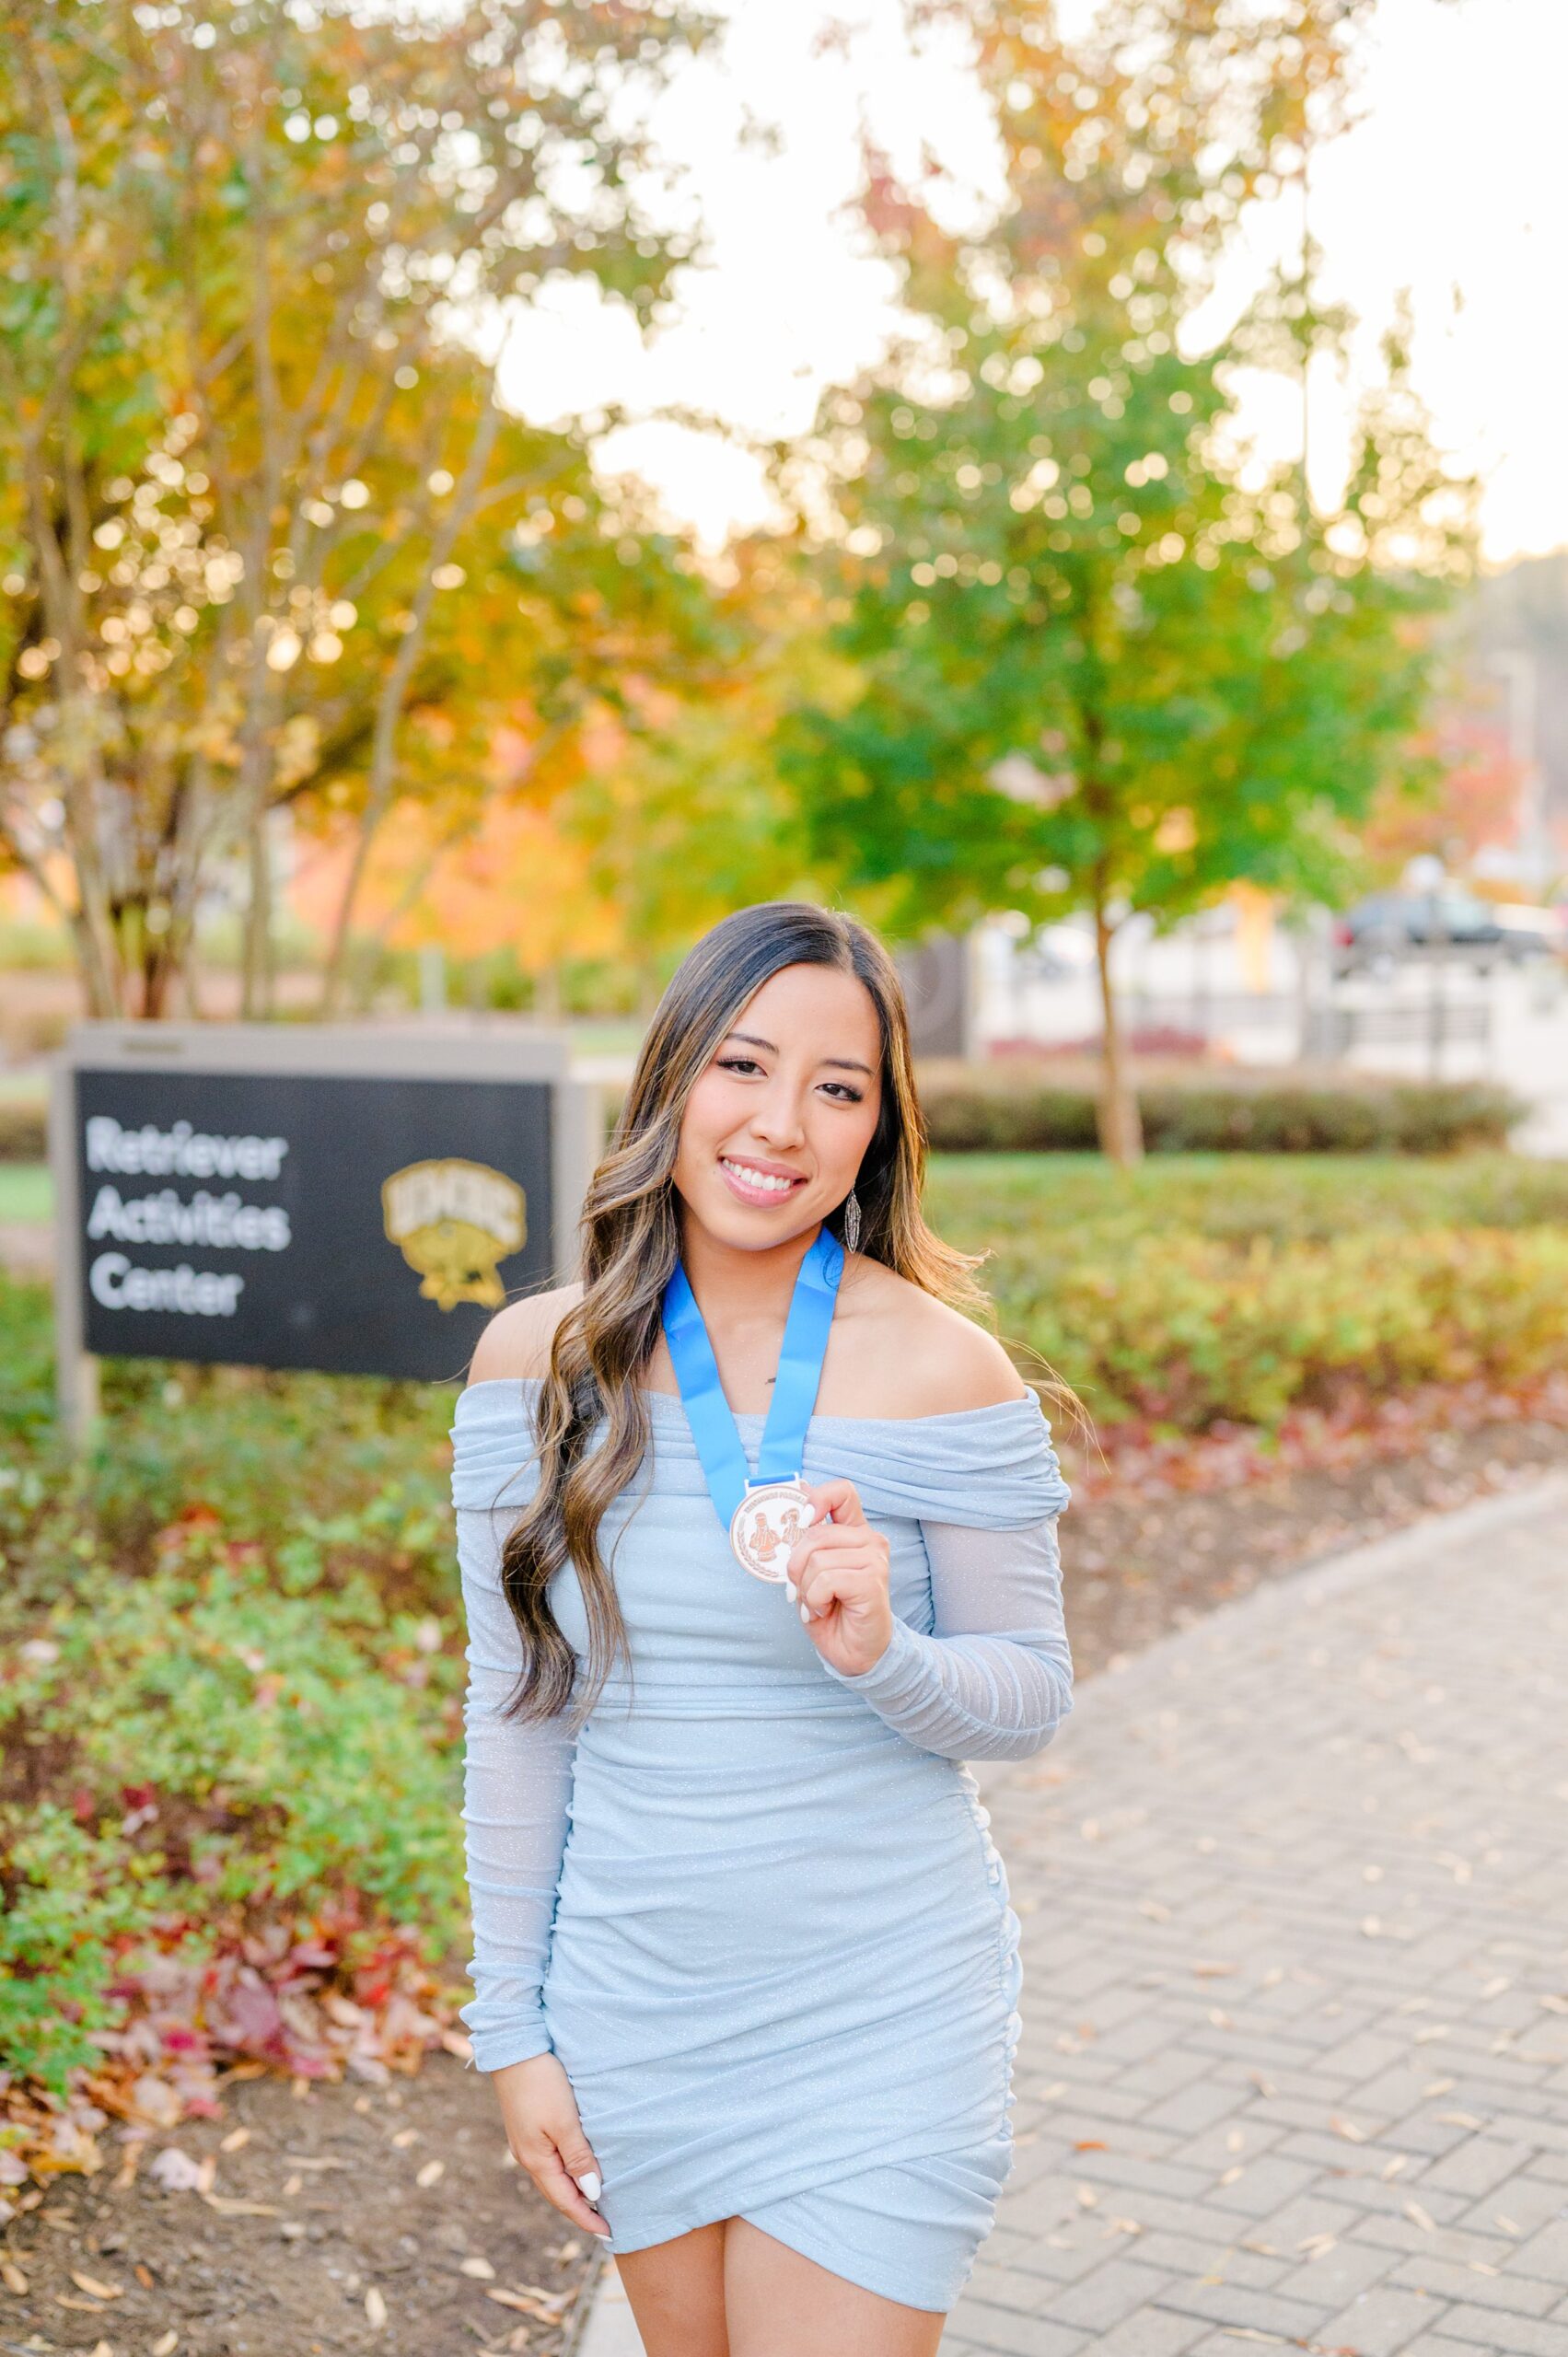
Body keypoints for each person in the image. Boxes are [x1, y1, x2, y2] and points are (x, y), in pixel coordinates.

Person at [452, 901, 1074, 2357]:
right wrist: (514, 2032)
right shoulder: (530, 1365)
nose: (782, 1122)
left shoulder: (944, 1369)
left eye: (838, 1088)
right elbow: (517, 1707)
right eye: (743, 1065)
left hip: (880, 2011)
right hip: (636, 2003)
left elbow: (1033, 1698)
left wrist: (889, 1659)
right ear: (671, 1079)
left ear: (877, 1130)